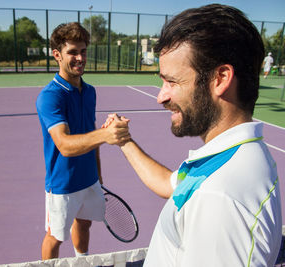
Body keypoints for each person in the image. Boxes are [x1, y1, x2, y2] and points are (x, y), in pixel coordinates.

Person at [104, 4, 282, 266]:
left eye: (172, 82)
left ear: (220, 79)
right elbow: (169, 184)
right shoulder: (228, 158)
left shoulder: (219, 196)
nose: (160, 96)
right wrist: (124, 141)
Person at [35, 22, 130, 260]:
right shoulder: (50, 97)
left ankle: (83, 261)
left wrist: (98, 174)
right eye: (72, 52)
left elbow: (89, 133)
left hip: (89, 179)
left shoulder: (90, 91)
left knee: (85, 224)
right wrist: (106, 135)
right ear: (57, 55)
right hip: (62, 184)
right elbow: (65, 145)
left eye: (83, 51)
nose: (80, 58)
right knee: (54, 237)